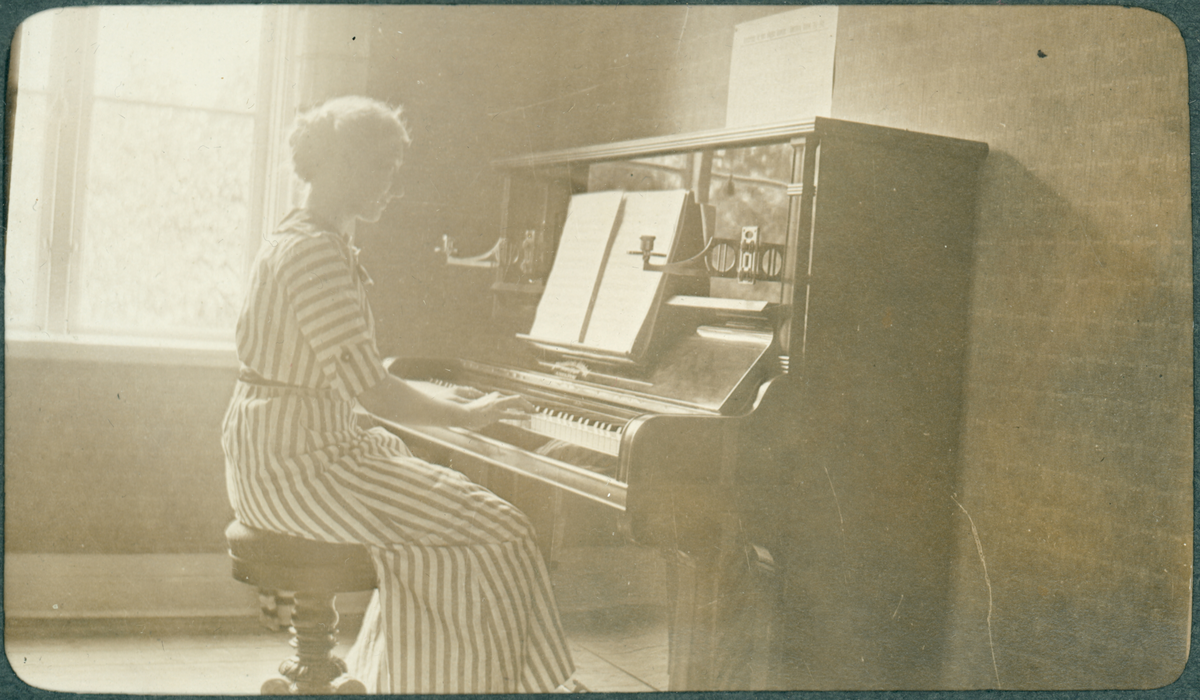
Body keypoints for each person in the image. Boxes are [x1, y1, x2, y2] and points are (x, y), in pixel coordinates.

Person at [221, 95, 576, 693]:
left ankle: (400, 679)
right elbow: (376, 393)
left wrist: (452, 405)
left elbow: (356, 378)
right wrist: (468, 415)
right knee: (502, 530)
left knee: (461, 529)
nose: (392, 183)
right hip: (296, 468)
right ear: (342, 166)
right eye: (382, 166)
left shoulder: (306, 236)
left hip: (295, 451)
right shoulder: (313, 254)